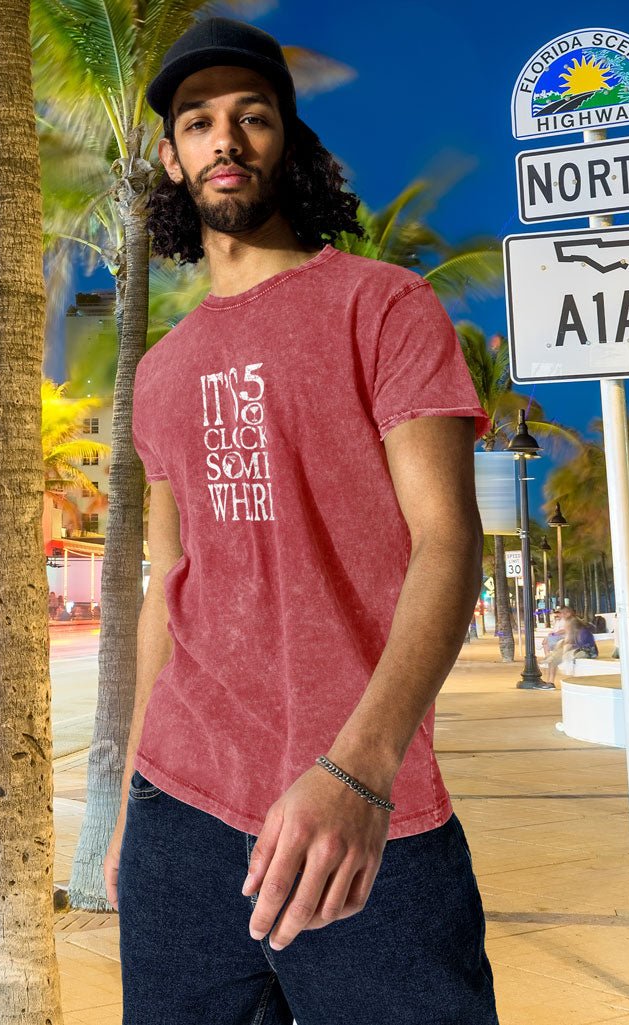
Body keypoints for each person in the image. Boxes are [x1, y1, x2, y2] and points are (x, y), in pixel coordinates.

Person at [106, 17, 498, 1024]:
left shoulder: (385, 306)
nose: (224, 141)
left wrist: (360, 770)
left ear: (288, 140)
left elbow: (447, 543)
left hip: (362, 811)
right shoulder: (158, 371)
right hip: (180, 813)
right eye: (198, 123)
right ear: (171, 156)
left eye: (251, 117)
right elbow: (170, 587)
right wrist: (125, 816)